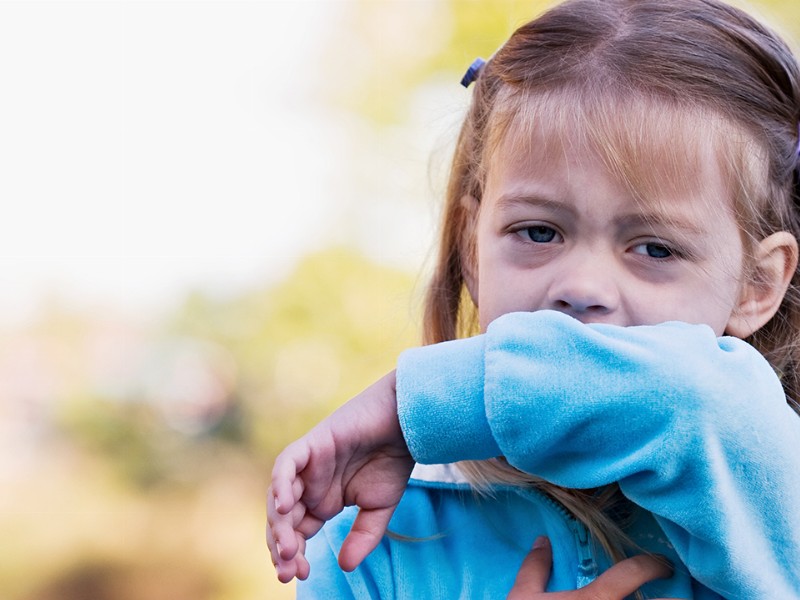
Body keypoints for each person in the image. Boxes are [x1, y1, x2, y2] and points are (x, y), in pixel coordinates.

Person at [267, 0, 800, 597]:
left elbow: (699, 400)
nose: (582, 287)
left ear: (757, 285)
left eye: (654, 249)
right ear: (472, 249)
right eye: (539, 232)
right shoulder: (377, 538)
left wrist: (412, 402)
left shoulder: (775, 485)